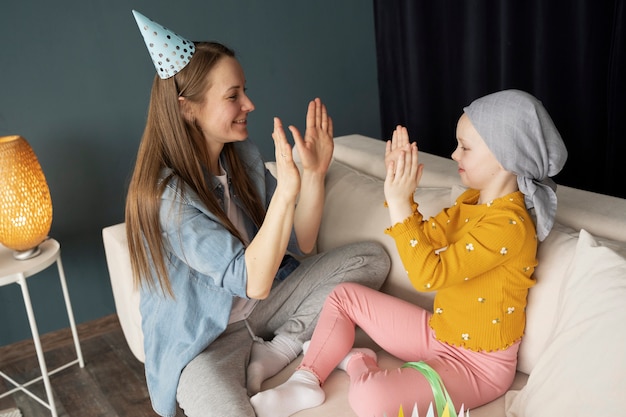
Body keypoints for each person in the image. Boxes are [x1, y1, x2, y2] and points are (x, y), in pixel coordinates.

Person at [125, 11, 390, 417]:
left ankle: (278, 350)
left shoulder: (241, 156)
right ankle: (279, 349)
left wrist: (314, 174)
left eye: (244, 90)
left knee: (370, 259)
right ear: (187, 109)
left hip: (266, 311)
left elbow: (298, 243)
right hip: (205, 343)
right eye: (233, 96)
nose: (249, 104)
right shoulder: (167, 198)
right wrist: (286, 191)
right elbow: (249, 280)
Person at [251, 89, 568, 417]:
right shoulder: (471, 203)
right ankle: (305, 379)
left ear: (505, 157)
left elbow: (428, 274)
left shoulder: (510, 225)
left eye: (466, 147)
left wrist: (401, 202)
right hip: (439, 334)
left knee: (371, 399)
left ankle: (359, 361)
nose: (455, 155)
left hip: (478, 366)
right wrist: (400, 192)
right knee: (343, 296)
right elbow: (425, 237)